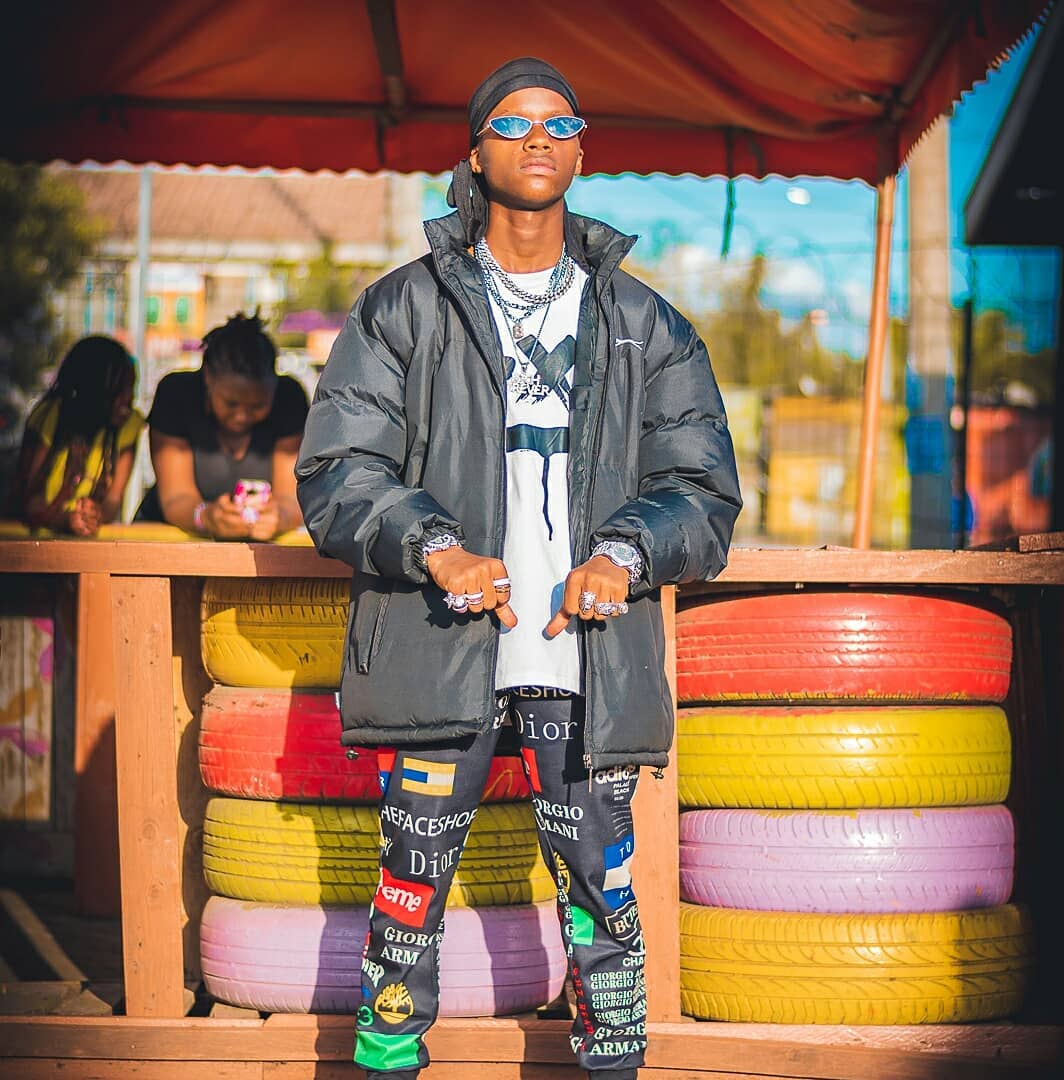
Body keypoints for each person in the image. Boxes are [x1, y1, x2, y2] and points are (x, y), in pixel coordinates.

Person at [296, 57, 740, 1080]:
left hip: (586, 663)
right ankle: (385, 1064)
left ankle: (613, 1065)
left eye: (559, 123)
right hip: (436, 646)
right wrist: (433, 545)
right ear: (474, 153)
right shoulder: (401, 309)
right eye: (511, 122)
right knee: (408, 895)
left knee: (602, 899)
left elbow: (702, 490)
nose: (538, 137)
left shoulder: (646, 325)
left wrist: (624, 552)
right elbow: (337, 471)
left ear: (583, 153)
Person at [136, 311, 308, 540]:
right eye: (231, 403)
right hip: (168, 540)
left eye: (258, 405)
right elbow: (175, 498)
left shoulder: (290, 399)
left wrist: (279, 518)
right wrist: (206, 517)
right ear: (207, 377)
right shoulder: (176, 394)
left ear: (275, 387)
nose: (242, 416)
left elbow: (291, 499)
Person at [11, 335, 142, 536]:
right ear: (92, 390)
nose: (129, 398)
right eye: (119, 390)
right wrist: (65, 520)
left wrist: (95, 515)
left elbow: (113, 500)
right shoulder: (51, 416)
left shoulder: (129, 425)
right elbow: (28, 500)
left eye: (131, 388)